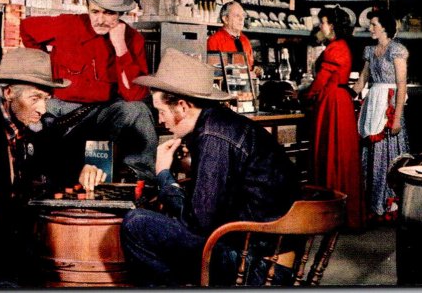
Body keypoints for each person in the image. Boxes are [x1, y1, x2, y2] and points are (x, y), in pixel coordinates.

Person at [120, 48, 300, 286]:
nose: (160, 120)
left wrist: (164, 175)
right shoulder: (217, 123)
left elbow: (198, 223)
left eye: (161, 111)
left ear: (183, 107)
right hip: (252, 249)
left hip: (258, 266)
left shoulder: (214, 135)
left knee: (136, 223)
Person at [20, 0, 157, 185]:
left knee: (138, 111)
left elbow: (135, 95)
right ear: (87, 7)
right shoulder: (67, 24)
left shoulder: (132, 39)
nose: (101, 20)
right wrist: (43, 71)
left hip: (104, 112)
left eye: (109, 13)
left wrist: (120, 47)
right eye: (96, 12)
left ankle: (140, 181)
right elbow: (26, 28)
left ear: (120, 13)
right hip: (61, 109)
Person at [0, 47, 70, 287]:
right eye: (35, 98)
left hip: (20, 244)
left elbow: (58, 168)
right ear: (9, 92)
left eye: (46, 98)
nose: (43, 109)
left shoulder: (36, 123)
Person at [303, 6, 364, 230]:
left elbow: (320, 82)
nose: (322, 26)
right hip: (339, 101)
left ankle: (329, 216)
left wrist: (305, 95)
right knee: (339, 155)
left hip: (332, 103)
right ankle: (339, 214)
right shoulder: (339, 47)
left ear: (333, 26)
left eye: (324, 23)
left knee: (330, 153)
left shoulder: (335, 49)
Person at [353, 9, 410, 222]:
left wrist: (396, 118)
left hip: (389, 104)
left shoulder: (397, 50)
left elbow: (401, 84)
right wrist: (343, 93)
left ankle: (389, 204)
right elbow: (362, 81)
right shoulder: (370, 50)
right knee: (372, 152)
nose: (370, 28)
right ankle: (373, 203)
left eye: (373, 24)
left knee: (388, 153)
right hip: (373, 104)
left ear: (385, 27)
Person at [206, 1, 260, 73]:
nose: (242, 19)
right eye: (237, 15)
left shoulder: (245, 40)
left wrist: (255, 70)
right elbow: (213, 72)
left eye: (243, 15)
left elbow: (250, 66)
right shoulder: (214, 41)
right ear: (225, 19)